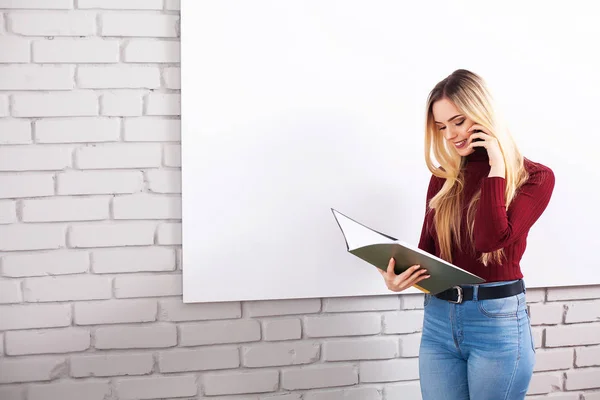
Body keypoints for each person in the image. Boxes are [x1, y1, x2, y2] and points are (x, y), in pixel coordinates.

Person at [376, 69, 555, 399]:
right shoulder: (444, 178)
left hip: (496, 323)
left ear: (482, 113)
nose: (450, 135)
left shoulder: (535, 178)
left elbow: (490, 241)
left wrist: (496, 168)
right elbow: (428, 255)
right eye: (442, 127)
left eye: (458, 122)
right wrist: (402, 277)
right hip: (439, 321)